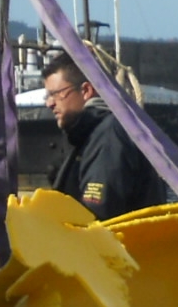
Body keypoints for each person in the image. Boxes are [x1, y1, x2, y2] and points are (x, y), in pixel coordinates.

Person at [42, 54, 169, 220]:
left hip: (117, 243)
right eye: (48, 96)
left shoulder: (109, 136)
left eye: (56, 94)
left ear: (86, 91)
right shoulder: (90, 133)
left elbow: (99, 213)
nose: (49, 103)